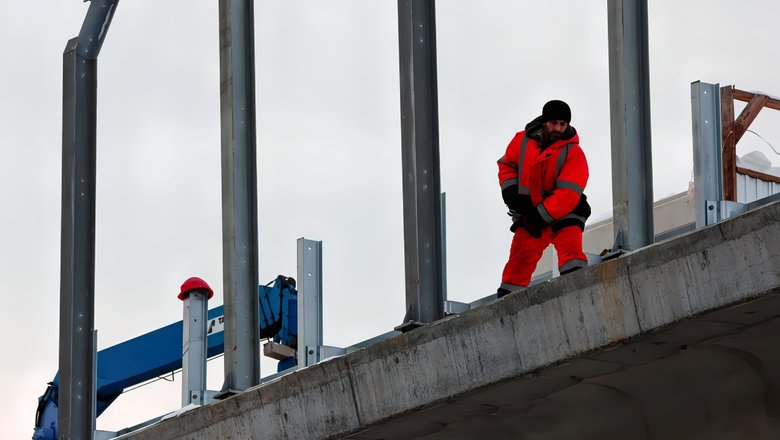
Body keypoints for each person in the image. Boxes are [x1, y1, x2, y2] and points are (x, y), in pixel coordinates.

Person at [496, 99, 591, 297]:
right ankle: (508, 303)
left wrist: (539, 216)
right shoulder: (521, 141)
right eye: (554, 123)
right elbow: (507, 165)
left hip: (566, 211)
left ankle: (580, 295)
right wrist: (511, 193)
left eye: (563, 124)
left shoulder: (574, 152)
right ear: (545, 121)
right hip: (532, 210)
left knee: (571, 252)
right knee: (521, 255)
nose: (558, 128)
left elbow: (568, 194)